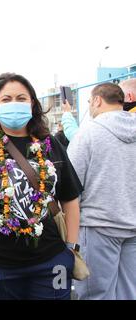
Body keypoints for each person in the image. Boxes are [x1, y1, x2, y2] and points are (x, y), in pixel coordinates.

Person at [0, 73, 83, 300]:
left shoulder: (50, 144)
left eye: (21, 98)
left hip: (52, 261)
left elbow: (70, 199)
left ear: (32, 103)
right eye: (6, 99)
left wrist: (69, 249)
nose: (14, 104)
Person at [67, 83, 136, 300]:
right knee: (129, 292)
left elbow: (71, 184)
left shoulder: (88, 133)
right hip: (133, 225)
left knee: (95, 294)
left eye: (89, 102)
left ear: (97, 100)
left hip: (98, 226)